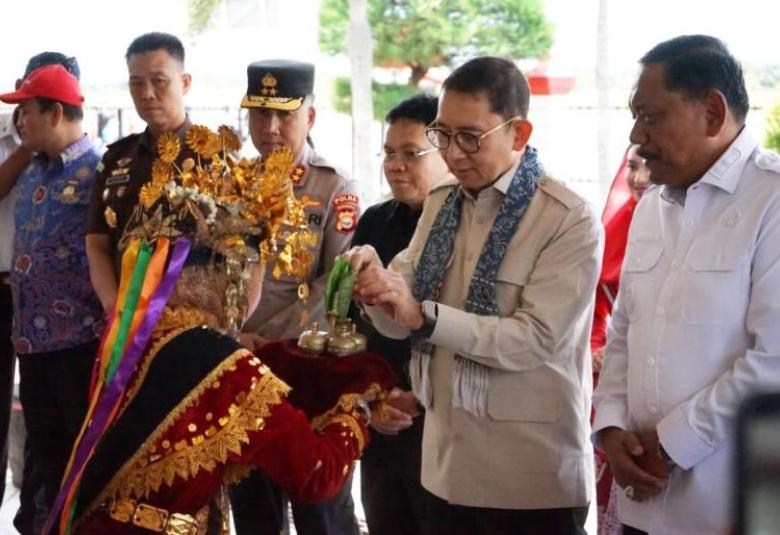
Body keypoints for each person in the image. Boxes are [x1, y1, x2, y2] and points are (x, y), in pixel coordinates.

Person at [43, 125, 390, 535]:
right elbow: (316, 473)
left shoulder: (129, 339)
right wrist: (358, 406)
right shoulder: (220, 365)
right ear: (235, 279)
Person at [347, 56, 602, 535]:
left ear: (519, 133)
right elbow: (398, 311)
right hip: (444, 469)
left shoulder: (567, 219)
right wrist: (374, 287)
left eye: (470, 137)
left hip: (528, 476)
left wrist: (424, 317)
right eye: (443, 135)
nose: (453, 153)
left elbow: (533, 339)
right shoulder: (442, 202)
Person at [593, 35, 780, 535]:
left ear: (713, 113)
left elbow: (773, 361)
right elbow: (624, 330)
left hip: (728, 507)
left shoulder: (772, 199)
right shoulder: (652, 206)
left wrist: (672, 443)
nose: (636, 136)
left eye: (651, 116)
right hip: (640, 500)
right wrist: (611, 426)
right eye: (635, 116)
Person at [230, 60, 362, 535]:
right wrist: (233, 337)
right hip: (242, 368)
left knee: (320, 512)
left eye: (283, 114)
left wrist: (266, 337)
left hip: (307, 369)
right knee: (254, 508)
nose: (269, 128)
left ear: (310, 116)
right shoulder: (231, 184)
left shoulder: (335, 187)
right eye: (259, 113)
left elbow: (337, 283)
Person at [0, 62, 105, 531]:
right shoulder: (31, 169)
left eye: (26, 112)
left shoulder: (99, 172)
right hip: (32, 346)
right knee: (45, 461)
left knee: (82, 464)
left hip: (78, 346)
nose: (19, 122)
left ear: (56, 113)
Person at [350, 94, 449, 535]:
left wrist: (418, 397)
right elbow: (354, 322)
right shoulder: (374, 221)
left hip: (443, 421)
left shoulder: (463, 225)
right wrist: (370, 398)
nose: (396, 166)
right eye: (389, 153)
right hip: (379, 418)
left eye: (411, 153)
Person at [86, 32, 194, 313]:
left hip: (193, 321)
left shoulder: (215, 160)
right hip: (124, 320)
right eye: (136, 83)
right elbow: (97, 243)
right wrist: (114, 307)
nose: (147, 93)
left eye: (159, 81)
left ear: (184, 83)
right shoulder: (116, 159)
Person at [590, 144, 650, 535]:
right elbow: (597, 303)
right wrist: (595, 348)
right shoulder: (617, 227)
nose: (638, 178)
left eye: (648, 166)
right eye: (632, 166)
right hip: (615, 386)